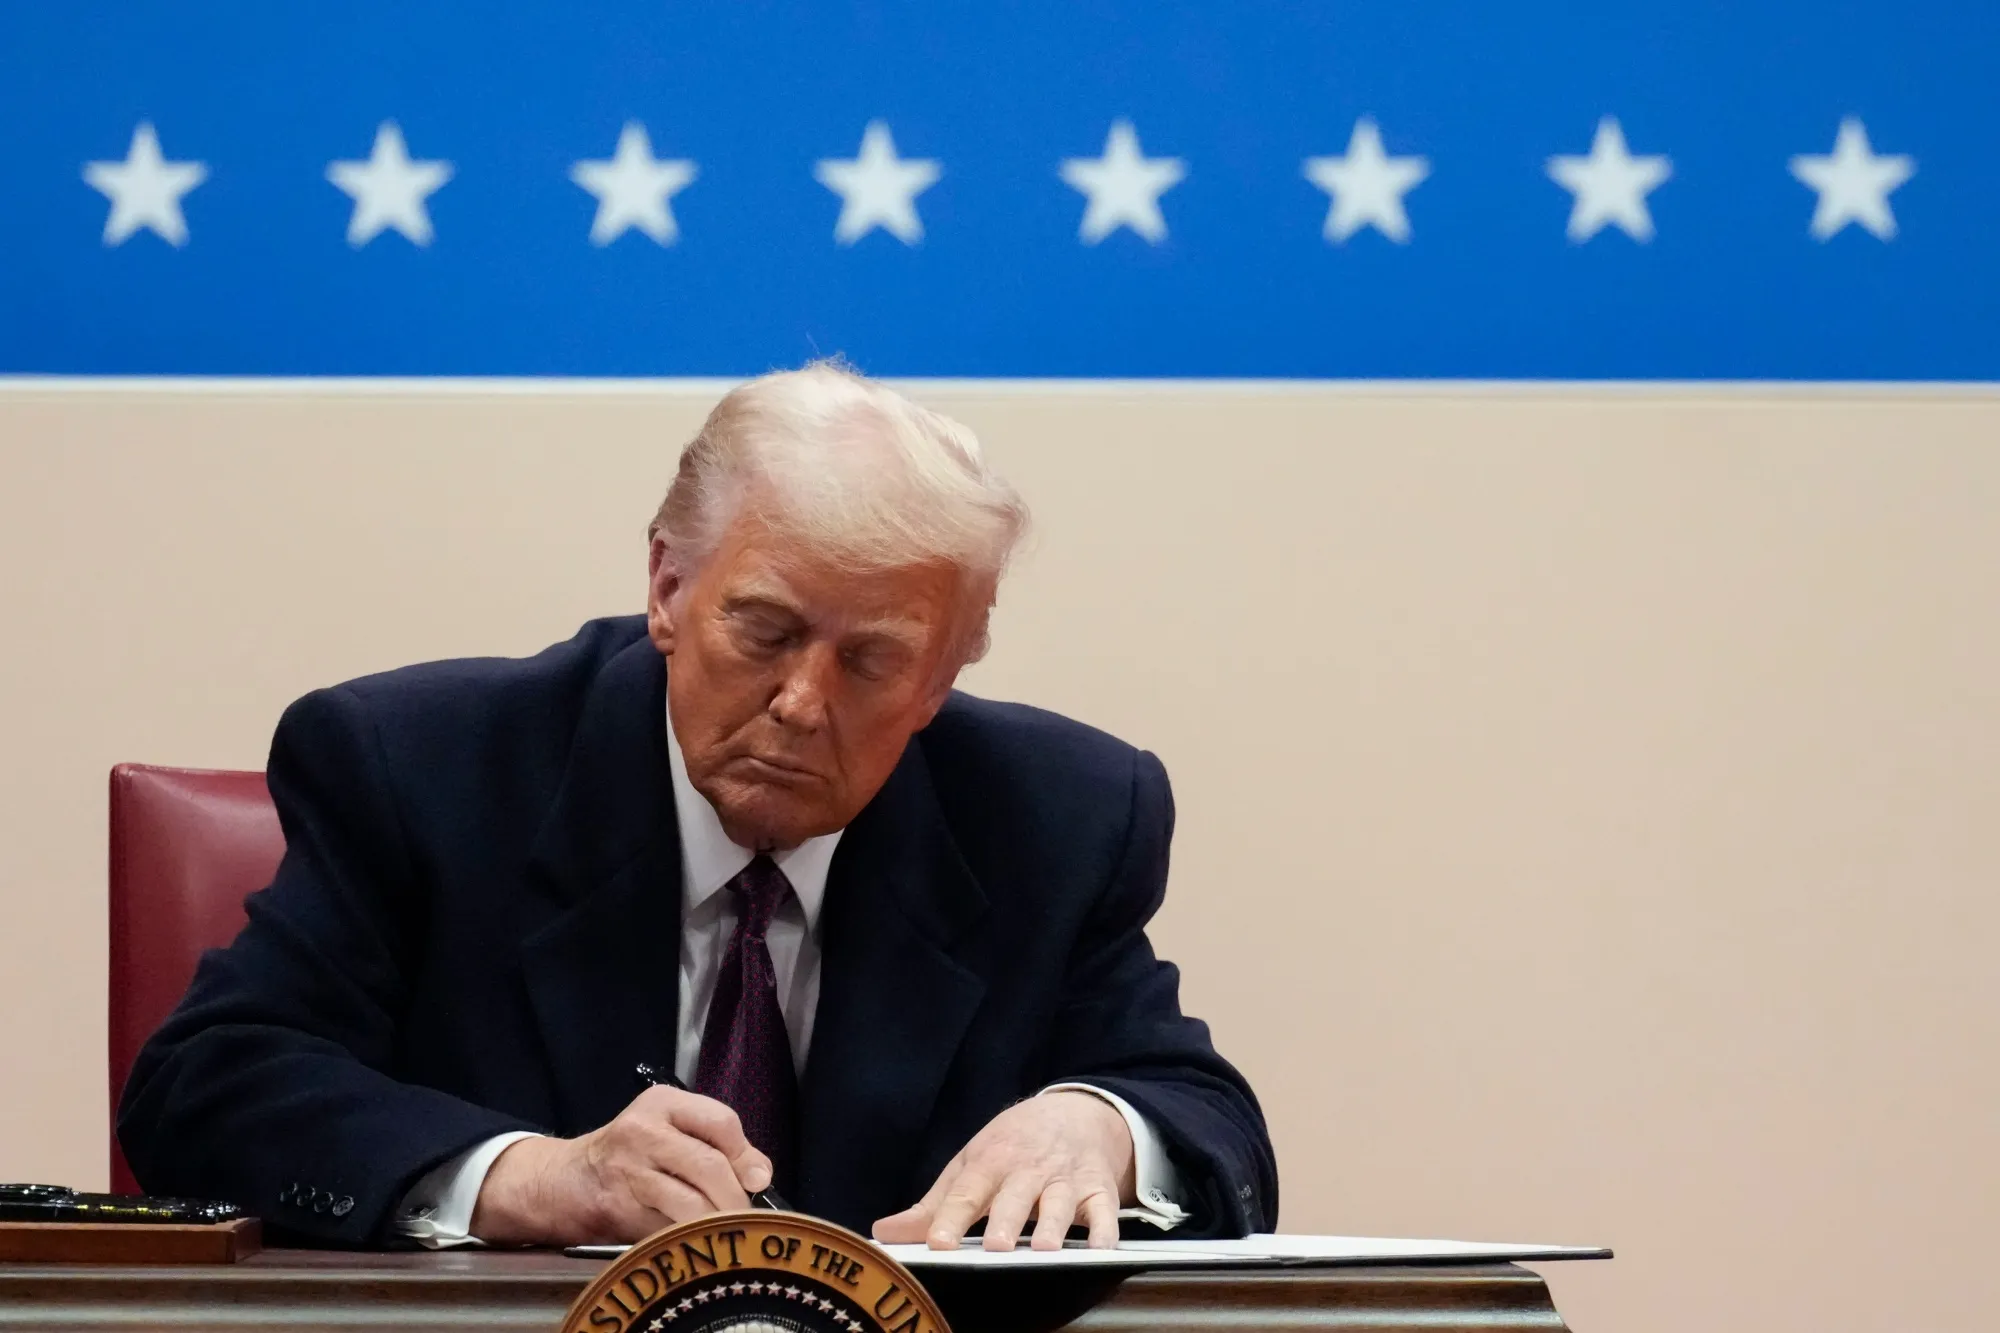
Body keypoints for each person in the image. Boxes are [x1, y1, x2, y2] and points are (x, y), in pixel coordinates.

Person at [119, 363, 1277, 1250]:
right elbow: (204, 1086)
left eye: (872, 661)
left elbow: (1206, 1117)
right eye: (763, 630)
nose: (798, 703)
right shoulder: (420, 769)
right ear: (668, 586)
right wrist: (529, 1177)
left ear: (945, 677)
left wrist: (1098, 1126)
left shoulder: (1057, 819)